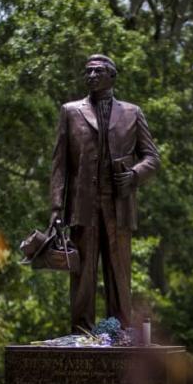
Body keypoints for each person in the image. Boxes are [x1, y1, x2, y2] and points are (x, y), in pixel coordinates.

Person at [49, 54, 160, 333]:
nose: (91, 76)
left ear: (112, 75)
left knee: (119, 273)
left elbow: (152, 158)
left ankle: (119, 331)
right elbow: (59, 165)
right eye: (87, 72)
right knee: (82, 273)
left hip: (118, 205)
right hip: (82, 206)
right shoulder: (70, 111)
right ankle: (81, 332)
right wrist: (55, 208)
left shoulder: (132, 113)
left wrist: (134, 175)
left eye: (97, 71)